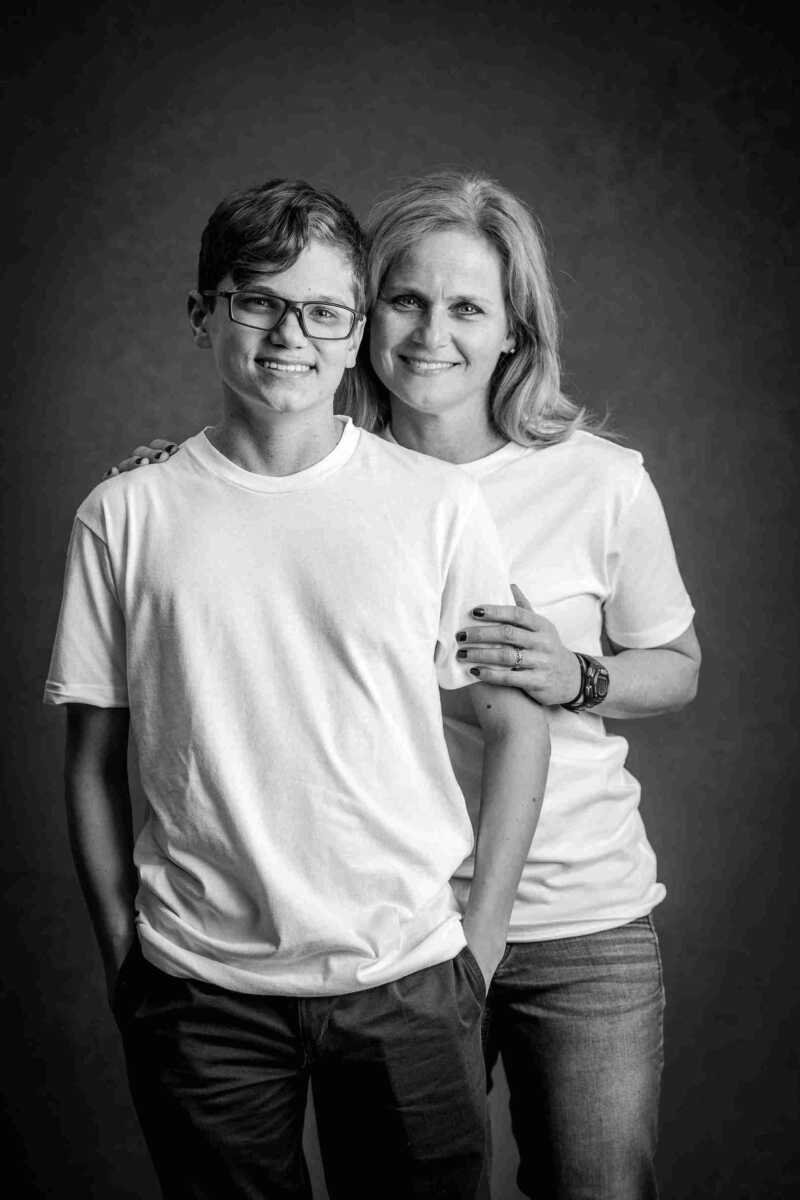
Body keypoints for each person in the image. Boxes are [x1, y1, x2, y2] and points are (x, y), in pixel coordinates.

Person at [106, 170, 701, 1200]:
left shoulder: (600, 480)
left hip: (574, 913)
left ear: (515, 332)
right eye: (405, 300)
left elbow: (677, 669)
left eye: (468, 307)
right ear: (360, 317)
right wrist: (175, 484)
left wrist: (576, 674)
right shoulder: (323, 469)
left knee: (596, 1184)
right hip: (391, 926)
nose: (432, 333)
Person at [45, 178, 551, 1200]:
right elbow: (93, 764)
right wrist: (123, 959)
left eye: (324, 310)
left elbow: (515, 724)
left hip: (407, 981)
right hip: (198, 991)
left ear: (356, 330)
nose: (291, 334)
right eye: (258, 301)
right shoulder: (125, 513)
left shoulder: (434, 507)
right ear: (206, 314)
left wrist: (479, 943)